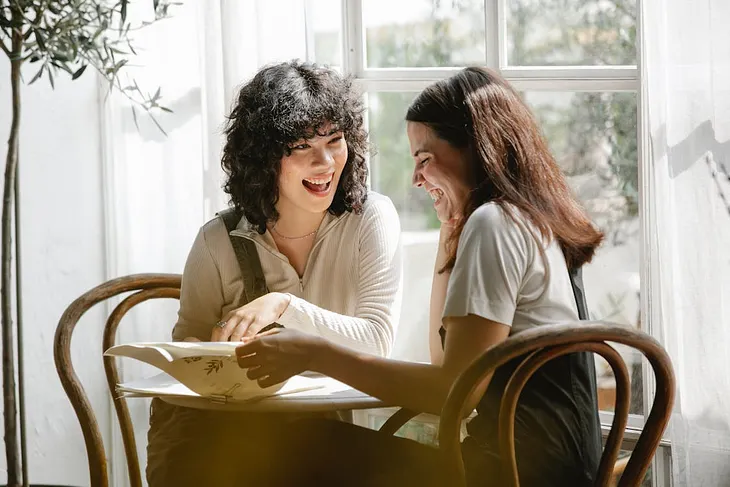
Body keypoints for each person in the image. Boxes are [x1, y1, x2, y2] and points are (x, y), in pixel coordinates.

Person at [235, 66, 605, 487]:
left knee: (298, 446)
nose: (415, 178)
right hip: (556, 469)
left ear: (475, 148)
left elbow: (453, 394)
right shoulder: (524, 219)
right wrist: (450, 230)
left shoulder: (494, 224)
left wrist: (315, 354)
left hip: (513, 474)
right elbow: (444, 364)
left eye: (424, 160)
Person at [145, 60, 402, 486]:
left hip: (322, 440)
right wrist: (208, 353)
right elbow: (187, 346)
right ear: (264, 158)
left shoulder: (370, 218)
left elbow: (377, 342)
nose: (325, 163)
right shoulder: (217, 240)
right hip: (224, 441)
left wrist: (283, 305)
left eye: (335, 141)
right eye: (301, 147)